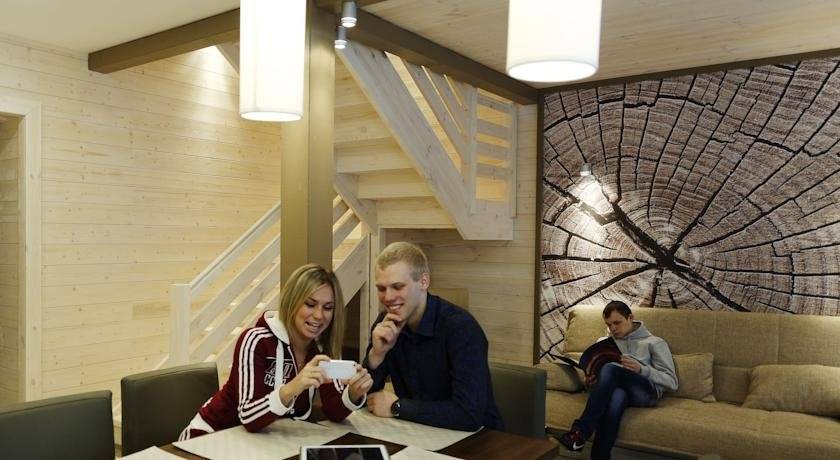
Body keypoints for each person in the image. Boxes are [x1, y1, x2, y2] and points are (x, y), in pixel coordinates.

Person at [179, 264, 373, 439]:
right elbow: (249, 417)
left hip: (262, 442)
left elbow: (334, 411)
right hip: (209, 436)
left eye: (328, 307)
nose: (319, 315)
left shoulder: (322, 349)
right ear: (292, 301)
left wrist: (353, 393)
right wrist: (294, 386)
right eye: (310, 304)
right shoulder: (255, 340)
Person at [363, 241, 502, 431]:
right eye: (381, 288)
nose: (388, 297)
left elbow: (469, 414)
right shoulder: (385, 323)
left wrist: (398, 407)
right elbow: (367, 399)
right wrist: (376, 356)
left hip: (480, 439)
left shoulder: (461, 327)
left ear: (424, 282)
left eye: (397, 286)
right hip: (418, 432)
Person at [558, 301, 678, 459]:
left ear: (630, 318)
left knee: (611, 368)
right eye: (609, 324)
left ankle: (581, 431)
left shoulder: (654, 342)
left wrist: (642, 369)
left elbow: (672, 382)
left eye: (617, 323)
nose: (613, 328)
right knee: (616, 397)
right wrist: (592, 382)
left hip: (646, 392)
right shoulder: (604, 343)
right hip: (619, 390)